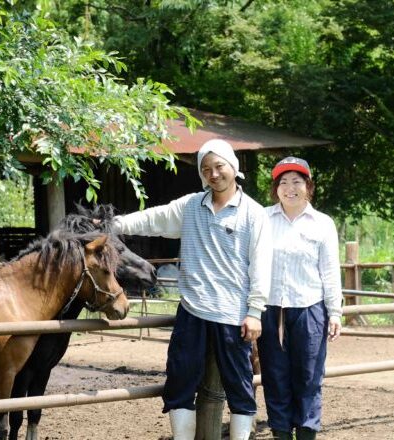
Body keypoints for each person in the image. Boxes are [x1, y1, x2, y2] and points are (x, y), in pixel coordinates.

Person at [113, 139, 272, 440]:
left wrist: (255, 311)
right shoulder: (189, 207)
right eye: (206, 169)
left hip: (233, 315)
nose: (214, 174)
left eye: (219, 166)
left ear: (233, 167)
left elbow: (261, 265)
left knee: (240, 387)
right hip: (192, 312)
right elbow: (151, 218)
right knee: (180, 385)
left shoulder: (254, 214)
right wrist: (113, 224)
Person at [257, 156, 343, 440]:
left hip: (310, 309)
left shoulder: (322, 224)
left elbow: (330, 271)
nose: (289, 188)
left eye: (296, 181)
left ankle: (307, 433)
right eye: (283, 182)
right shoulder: (262, 219)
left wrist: (336, 312)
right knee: (275, 376)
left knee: (308, 377)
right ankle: (281, 433)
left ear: (308, 186)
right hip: (271, 310)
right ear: (276, 188)